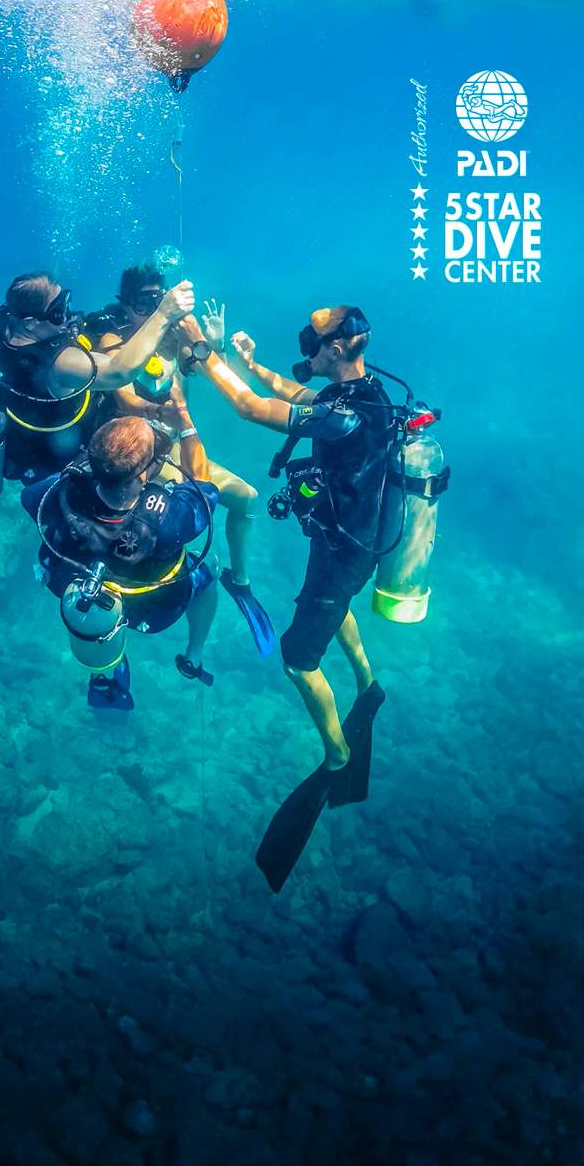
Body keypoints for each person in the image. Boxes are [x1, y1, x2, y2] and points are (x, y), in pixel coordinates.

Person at [186, 304, 399, 890]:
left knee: (297, 658)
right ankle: (365, 682)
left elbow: (256, 409)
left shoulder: (342, 417)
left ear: (335, 347)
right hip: (353, 543)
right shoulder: (365, 393)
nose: (306, 343)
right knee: (337, 606)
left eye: (314, 338)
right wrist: (248, 362)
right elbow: (288, 393)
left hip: (344, 552)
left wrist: (206, 357)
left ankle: (337, 757)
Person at [86, 250, 274, 656]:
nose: (150, 311)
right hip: (139, 463)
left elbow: (204, 370)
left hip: (175, 450)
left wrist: (213, 343)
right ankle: (113, 636)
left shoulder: (172, 335)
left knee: (248, 498)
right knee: (159, 556)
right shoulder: (114, 339)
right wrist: (163, 411)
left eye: (156, 302)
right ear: (124, 305)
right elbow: (122, 394)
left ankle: (239, 581)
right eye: (141, 304)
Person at [0, 270, 195, 542]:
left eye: (64, 302)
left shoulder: (0, 324)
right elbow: (119, 372)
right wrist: (163, 313)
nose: (67, 315)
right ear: (31, 323)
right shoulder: (58, 363)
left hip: (17, 438)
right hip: (58, 449)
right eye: (58, 312)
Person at [20, 379, 219, 712]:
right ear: (144, 475)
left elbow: (30, 500)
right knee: (209, 566)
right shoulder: (167, 521)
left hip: (72, 584)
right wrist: (185, 423)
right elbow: (204, 486)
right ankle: (193, 655)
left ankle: (106, 670)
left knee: (96, 619)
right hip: (151, 607)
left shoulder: (64, 488)